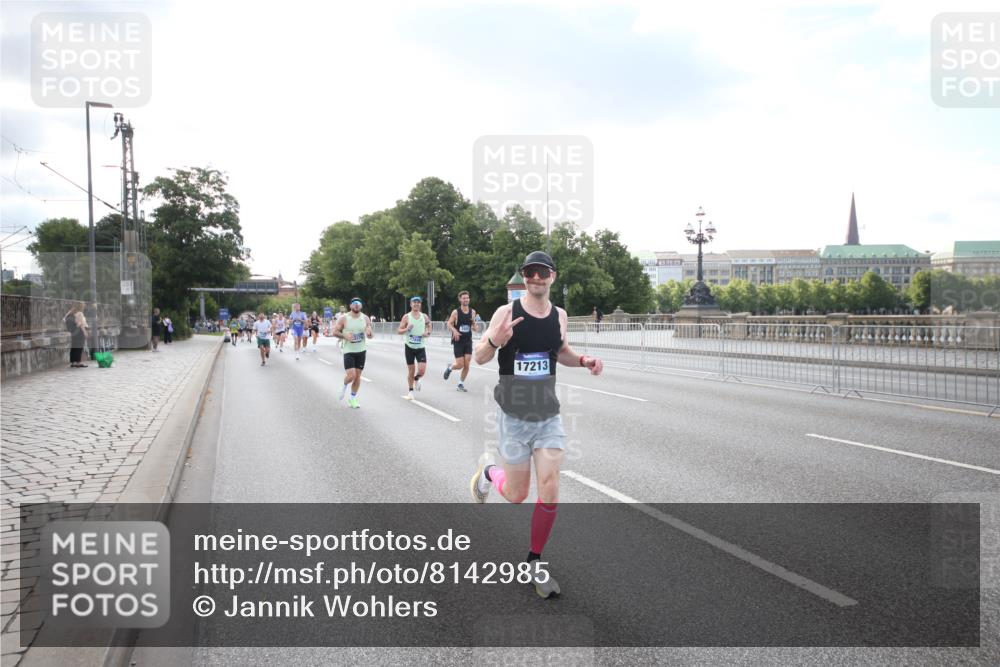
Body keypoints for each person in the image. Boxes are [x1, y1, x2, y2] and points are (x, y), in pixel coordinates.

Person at [468, 251, 604, 599]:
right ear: (525, 277)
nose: (535, 278)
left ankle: (534, 561)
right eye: (530, 272)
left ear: (552, 277)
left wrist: (584, 360)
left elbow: (559, 352)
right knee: (516, 495)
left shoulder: (559, 315)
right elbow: (481, 355)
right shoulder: (506, 313)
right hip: (513, 418)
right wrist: (496, 340)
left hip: (547, 416)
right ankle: (488, 473)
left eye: (542, 272)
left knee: (550, 486)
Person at [331, 298, 373, 409]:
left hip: (361, 350)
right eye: (354, 304)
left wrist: (369, 334)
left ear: (361, 306)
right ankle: (344, 385)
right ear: (350, 306)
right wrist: (344, 336)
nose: (356, 305)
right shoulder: (343, 318)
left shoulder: (365, 318)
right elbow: (334, 332)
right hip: (349, 350)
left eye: (358, 304)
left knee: (358, 376)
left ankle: (353, 398)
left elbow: (370, 333)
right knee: (351, 376)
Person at [443, 290, 479, 392]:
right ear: (460, 299)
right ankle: (450, 368)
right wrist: (454, 331)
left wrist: (474, 324)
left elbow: (475, 328)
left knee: (467, 364)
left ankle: (460, 384)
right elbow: (449, 324)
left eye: (467, 298)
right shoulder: (456, 312)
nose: (466, 300)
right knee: (460, 365)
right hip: (458, 341)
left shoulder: (473, 312)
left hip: (468, 341)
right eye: (464, 298)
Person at [398, 296, 431, 400]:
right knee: (411, 371)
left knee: (422, 371)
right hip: (409, 347)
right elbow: (399, 331)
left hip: (420, 347)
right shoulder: (406, 317)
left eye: (418, 302)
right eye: (414, 302)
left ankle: (417, 379)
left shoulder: (424, 316)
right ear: (411, 304)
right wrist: (407, 329)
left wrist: (428, 332)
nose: (416, 304)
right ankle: (410, 391)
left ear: (420, 304)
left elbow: (429, 324)